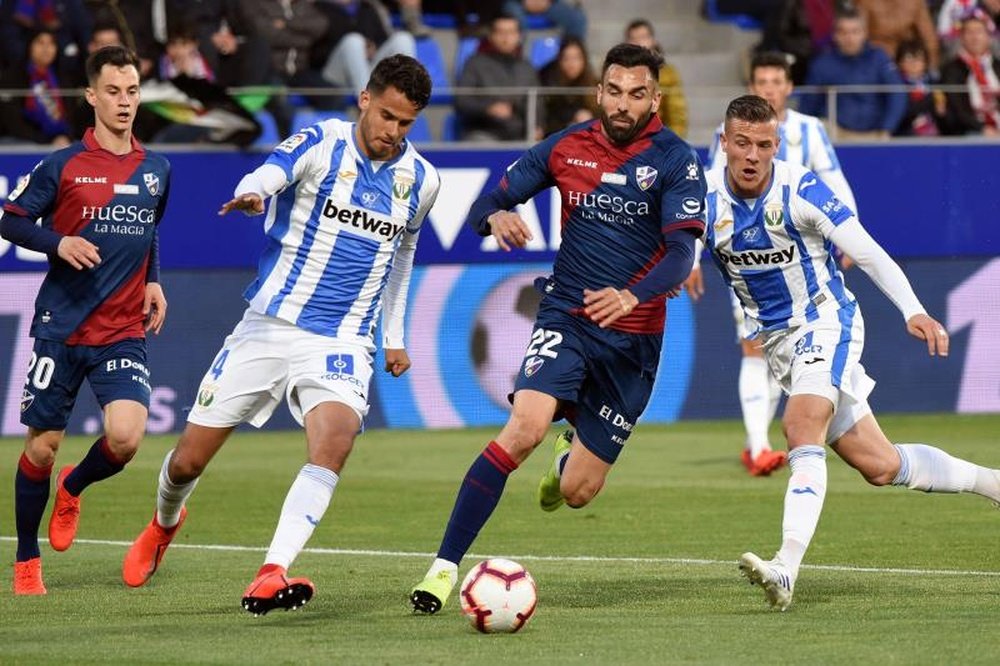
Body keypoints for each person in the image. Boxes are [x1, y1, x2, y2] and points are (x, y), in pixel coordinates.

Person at [121, 54, 439, 616]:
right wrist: (255, 193)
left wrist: (393, 335)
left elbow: (404, 254)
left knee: (335, 440)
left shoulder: (423, 180)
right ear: (365, 99)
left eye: (406, 123)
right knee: (189, 461)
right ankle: (164, 523)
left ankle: (273, 570)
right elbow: (270, 171)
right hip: (268, 327)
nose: (393, 132)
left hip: (341, 341)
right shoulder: (321, 141)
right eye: (387, 115)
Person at [409, 43, 707, 614]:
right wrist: (496, 214)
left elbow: (680, 255)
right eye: (614, 91)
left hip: (634, 339)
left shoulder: (674, 160)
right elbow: (489, 201)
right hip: (566, 315)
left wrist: (630, 294)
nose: (623, 104)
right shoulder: (567, 147)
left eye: (637, 94)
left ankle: (570, 449)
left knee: (577, 493)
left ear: (655, 99)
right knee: (521, 429)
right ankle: (442, 570)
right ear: (598, 92)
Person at [703, 94, 1000, 611]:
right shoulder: (703, 202)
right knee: (880, 465)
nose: (753, 155)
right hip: (777, 343)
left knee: (800, 427)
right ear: (724, 143)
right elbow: (662, 247)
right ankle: (994, 483)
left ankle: (786, 567)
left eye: (764, 145)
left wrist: (912, 309)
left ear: (777, 146)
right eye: (743, 144)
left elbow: (867, 251)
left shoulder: (801, 188)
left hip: (826, 321)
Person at [0, 45, 170, 596]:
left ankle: (73, 488)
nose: (125, 102)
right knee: (40, 448)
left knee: (125, 439)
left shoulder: (157, 169)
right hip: (61, 325)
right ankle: (27, 560)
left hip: (122, 327)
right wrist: (59, 241)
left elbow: (148, 230)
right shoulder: (63, 166)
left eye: (133, 91)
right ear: (92, 97)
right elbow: (12, 221)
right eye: (114, 92)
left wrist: (153, 279)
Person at [700, 51, 861, 477]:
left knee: (788, 358)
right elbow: (704, 195)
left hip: (804, 261)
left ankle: (778, 438)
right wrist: (692, 255)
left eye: (776, 81)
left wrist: (849, 230)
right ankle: (758, 446)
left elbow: (835, 181)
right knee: (754, 347)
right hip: (750, 258)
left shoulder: (810, 130)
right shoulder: (728, 133)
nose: (769, 88)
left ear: (788, 86)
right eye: (761, 81)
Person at [799, 7, 907, 139]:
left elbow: (897, 94)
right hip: (835, 132)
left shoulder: (879, 58)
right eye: (843, 32)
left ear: (865, 33)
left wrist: (887, 128)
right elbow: (809, 103)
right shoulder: (822, 63)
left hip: (875, 133)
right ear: (835, 35)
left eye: (855, 32)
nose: (849, 38)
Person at [454, 12, 540, 141]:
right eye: (501, 32)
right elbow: (462, 101)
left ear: (519, 36)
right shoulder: (474, 63)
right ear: (491, 35)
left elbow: (537, 102)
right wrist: (488, 108)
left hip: (520, 134)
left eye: (511, 32)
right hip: (483, 131)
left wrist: (538, 125)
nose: (506, 38)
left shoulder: (526, 67)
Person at [623, 18, 689, 138]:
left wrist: (670, 145)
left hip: (658, 141)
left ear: (653, 41)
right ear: (627, 43)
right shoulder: (617, 73)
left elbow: (677, 117)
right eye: (634, 39)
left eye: (643, 37)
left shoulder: (668, 74)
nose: (639, 43)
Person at [939, 10, 1000, 136]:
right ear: (961, 38)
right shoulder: (952, 69)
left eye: (979, 32)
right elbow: (957, 108)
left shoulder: (997, 65)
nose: (975, 37)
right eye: (969, 32)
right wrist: (983, 129)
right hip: (971, 131)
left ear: (988, 36)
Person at [538, 36, 599, 137]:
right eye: (566, 58)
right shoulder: (549, 87)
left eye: (576, 58)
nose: (571, 64)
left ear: (584, 60)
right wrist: (571, 123)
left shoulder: (594, 86)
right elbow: (547, 123)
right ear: (559, 61)